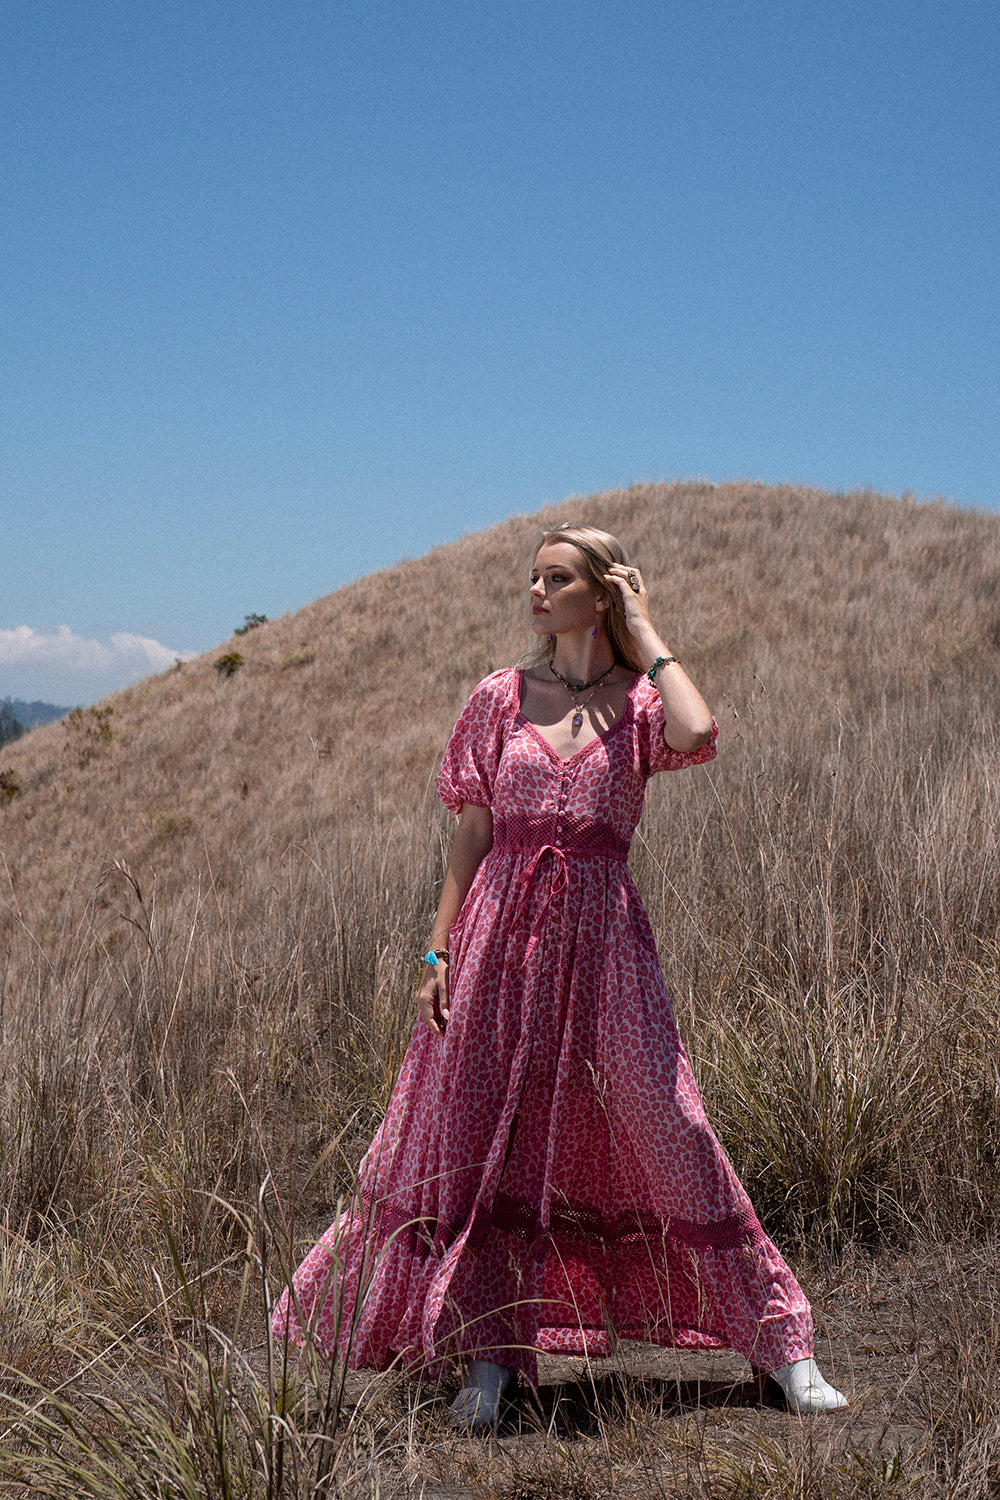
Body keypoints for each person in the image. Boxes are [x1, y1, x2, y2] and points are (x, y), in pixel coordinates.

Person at [271, 524, 847, 1422]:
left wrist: (645, 631)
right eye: (532, 578)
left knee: (670, 1118)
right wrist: (436, 951)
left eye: (558, 579)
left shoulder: (642, 704)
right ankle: (488, 1355)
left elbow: (698, 729)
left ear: (603, 592)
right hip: (498, 937)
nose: (536, 593)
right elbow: (472, 831)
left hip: (607, 943)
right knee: (488, 1132)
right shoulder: (499, 697)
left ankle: (781, 1343)